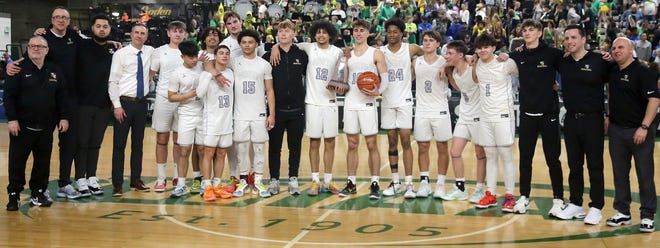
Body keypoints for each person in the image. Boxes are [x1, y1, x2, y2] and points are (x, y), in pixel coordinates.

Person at [268, 20, 345, 196]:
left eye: (324, 32)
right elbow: (285, 42)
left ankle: (329, 180)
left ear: (330, 34)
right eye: (318, 32)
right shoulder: (308, 48)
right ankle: (315, 180)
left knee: (330, 142)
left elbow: (341, 77)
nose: (321, 35)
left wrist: (340, 85)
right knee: (314, 142)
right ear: (313, 35)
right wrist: (274, 47)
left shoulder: (338, 52)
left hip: (331, 103)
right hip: (311, 102)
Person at [4, 36, 69, 210]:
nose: (36, 49)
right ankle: (14, 195)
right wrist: (12, 119)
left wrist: (63, 117)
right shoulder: (17, 69)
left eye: (40, 46)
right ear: (28, 48)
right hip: (22, 127)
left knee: (42, 162)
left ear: (46, 50)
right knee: (17, 163)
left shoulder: (54, 71)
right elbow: (8, 96)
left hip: (46, 127)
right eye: (32, 46)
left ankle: (38, 192)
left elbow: (62, 96)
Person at [553, 25, 610, 224]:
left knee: (595, 165)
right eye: (567, 38)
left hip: (593, 120)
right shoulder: (563, 61)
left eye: (574, 37)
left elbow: (614, 86)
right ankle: (576, 203)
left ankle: (596, 206)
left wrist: (609, 114)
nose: (569, 41)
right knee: (574, 165)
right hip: (570, 120)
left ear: (584, 39)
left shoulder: (600, 61)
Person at [508, 19, 564, 215]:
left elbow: (572, 67)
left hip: (548, 114)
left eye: (531, 29)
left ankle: (558, 198)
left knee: (553, 159)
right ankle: (524, 196)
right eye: (524, 30)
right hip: (527, 114)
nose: (527, 32)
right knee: (525, 158)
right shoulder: (517, 55)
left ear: (540, 33)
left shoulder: (552, 54)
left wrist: (559, 87)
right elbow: (499, 61)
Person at [605, 37, 659, 233]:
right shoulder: (612, 70)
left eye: (621, 47)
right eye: (613, 48)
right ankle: (623, 212)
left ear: (631, 50)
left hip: (639, 131)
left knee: (645, 175)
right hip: (617, 130)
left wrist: (644, 127)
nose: (616, 50)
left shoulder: (643, 71)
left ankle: (647, 215)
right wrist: (609, 116)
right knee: (620, 174)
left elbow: (654, 100)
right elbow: (611, 94)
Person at [338, 19, 388, 199]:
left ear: (369, 33)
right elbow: (340, 78)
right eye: (356, 30)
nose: (358, 33)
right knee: (351, 144)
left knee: (371, 143)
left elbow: (385, 77)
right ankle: (351, 182)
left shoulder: (376, 53)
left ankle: (375, 182)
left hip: (368, 102)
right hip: (351, 101)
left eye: (362, 30)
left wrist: (378, 91)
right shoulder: (347, 54)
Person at [472, 34, 519, 212]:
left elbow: (524, 71)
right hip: (485, 117)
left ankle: (509, 196)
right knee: (490, 155)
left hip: (503, 115)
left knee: (506, 155)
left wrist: (509, 55)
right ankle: (490, 194)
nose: (483, 50)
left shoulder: (506, 63)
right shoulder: (476, 64)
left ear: (493, 47)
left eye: (486, 47)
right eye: (479, 47)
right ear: (476, 50)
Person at [378, 18, 424, 197]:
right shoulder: (380, 51)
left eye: (395, 31)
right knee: (391, 140)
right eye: (389, 31)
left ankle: (409, 183)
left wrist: (415, 66)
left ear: (402, 33)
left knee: (405, 140)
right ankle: (395, 181)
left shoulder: (410, 48)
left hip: (404, 99)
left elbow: (427, 53)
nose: (391, 34)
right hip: (387, 100)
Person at [262, 20, 309, 195]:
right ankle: (274, 180)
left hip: (297, 110)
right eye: (280, 31)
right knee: (274, 147)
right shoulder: (268, 55)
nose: (283, 34)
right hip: (276, 110)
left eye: (287, 31)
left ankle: (293, 179)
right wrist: (275, 47)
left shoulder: (302, 55)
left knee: (295, 146)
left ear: (293, 34)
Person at [107, 24, 154, 197]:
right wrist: (116, 105)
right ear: (131, 34)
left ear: (146, 37)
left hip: (141, 104)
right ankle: (117, 184)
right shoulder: (121, 54)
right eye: (137, 33)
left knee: (138, 145)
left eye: (143, 33)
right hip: (124, 104)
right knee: (119, 145)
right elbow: (113, 81)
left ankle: (136, 180)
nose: (139, 36)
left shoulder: (150, 51)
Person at [73, 15, 117, 196]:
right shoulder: (81, 46)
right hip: (83, 103)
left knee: (95, 143)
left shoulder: (114, 50)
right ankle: (80, 179)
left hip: (104, 105)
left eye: (105, 26)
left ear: (109, 29)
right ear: (92, 28)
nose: (101, 29)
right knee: (82, 142)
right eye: (98, 26)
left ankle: (91, 176)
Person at [230, 30, 275, 198]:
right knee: (241, 148)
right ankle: (243, 181)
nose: (247, 45)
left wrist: (272, 114)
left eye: (251, 42)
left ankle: (258, 181)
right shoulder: (234, 62)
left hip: (259, 113)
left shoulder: (264, 64)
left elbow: (269, 90)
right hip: (240, 113)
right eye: (244, 42)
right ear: (240, 44)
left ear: (257, 44)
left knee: (259, 147)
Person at [409, 30, 452, 199]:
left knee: (442, 147)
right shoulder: (415, 62)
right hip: (421, 110)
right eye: (425, 40)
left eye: (431, 40)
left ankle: (440, 184)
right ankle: (424, 183)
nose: (427, 43)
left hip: (440, 109)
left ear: (438, 44)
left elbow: (466, 59)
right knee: (422, 147)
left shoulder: (445, 62)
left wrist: (446, 65)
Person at [443, 40, 487, 203]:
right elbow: (460, 87)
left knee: (480, 154)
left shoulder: (472, 68)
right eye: (446, 53)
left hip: (478, 117)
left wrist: (472, 57)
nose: (447, 56)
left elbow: (479, 57)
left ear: (461, 55)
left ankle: (480, 189)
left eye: (450, 53)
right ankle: (460, 187)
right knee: (455, 152)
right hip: (464, 116)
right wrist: (447, 72)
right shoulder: (454, 72)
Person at [149, 21, 188, 193]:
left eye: (181, 31)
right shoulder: (160, 51)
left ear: (185, 34)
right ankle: (161, 177)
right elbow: (150, 75)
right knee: (162, 139)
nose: (178, 34)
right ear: (168, 33)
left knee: (179, 141)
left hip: (183, 101)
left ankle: (178, 176)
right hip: (164, 99)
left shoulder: (189, 51)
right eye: (175, 31)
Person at [197, 45, 235, 201]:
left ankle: (217, 185)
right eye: (221, 53)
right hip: (211, 121)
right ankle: (207, 187)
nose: (224, 56)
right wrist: (211, 74)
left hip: (226, 121)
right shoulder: (206, 74)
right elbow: (199, 94)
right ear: (215, 56)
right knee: (208, 153)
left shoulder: (231, 73)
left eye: (227, 53)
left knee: (221, 153)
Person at [166, 40, 203, 198]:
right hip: (186, 114)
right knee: (184, 150)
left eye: (195, 56)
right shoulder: (177, 73)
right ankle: (181, 183)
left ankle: (202, 181)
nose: (194, 60)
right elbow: (171, 97)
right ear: (182, 57)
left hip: (203, 114)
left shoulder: (202, 67)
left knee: (202, 150)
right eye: (190, 57)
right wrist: (188, 95)